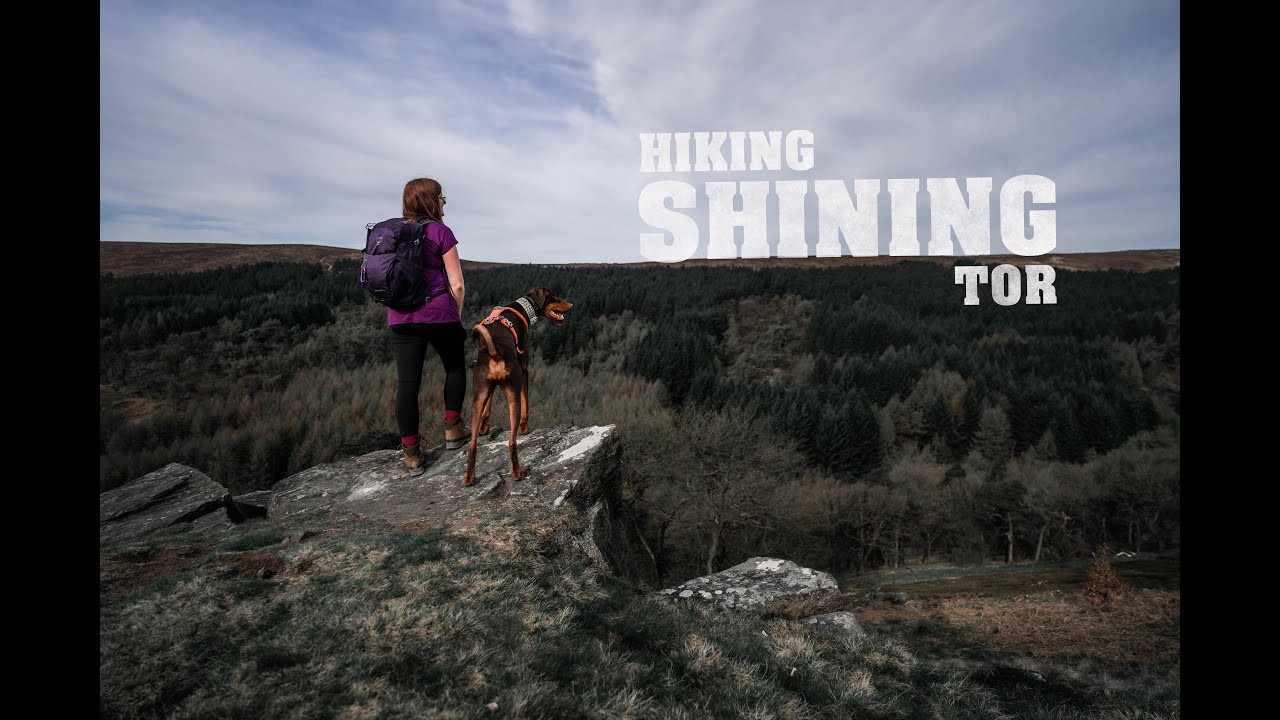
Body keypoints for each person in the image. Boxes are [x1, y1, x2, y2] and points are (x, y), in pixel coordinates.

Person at [388, 178, 469, 470]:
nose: (444, 202)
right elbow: (457, 284)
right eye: (441, 197)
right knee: (456, 367)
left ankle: (411, 455)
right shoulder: (440, 232)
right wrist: (455, 316)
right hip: (438, 315)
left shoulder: (392, 233)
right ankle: (453, 429)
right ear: (429, 201)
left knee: (407, 384)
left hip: (400, 318)